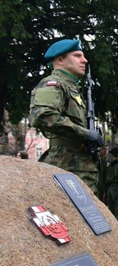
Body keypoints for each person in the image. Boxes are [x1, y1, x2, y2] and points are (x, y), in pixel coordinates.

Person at [29, 39, 104, 193]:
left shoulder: (72, 88)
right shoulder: (53, 84)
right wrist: (86, 133)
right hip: (66, 166)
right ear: (60, 59)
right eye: (77, 55)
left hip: (80, 165)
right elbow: (41, 116)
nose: (84, 60)